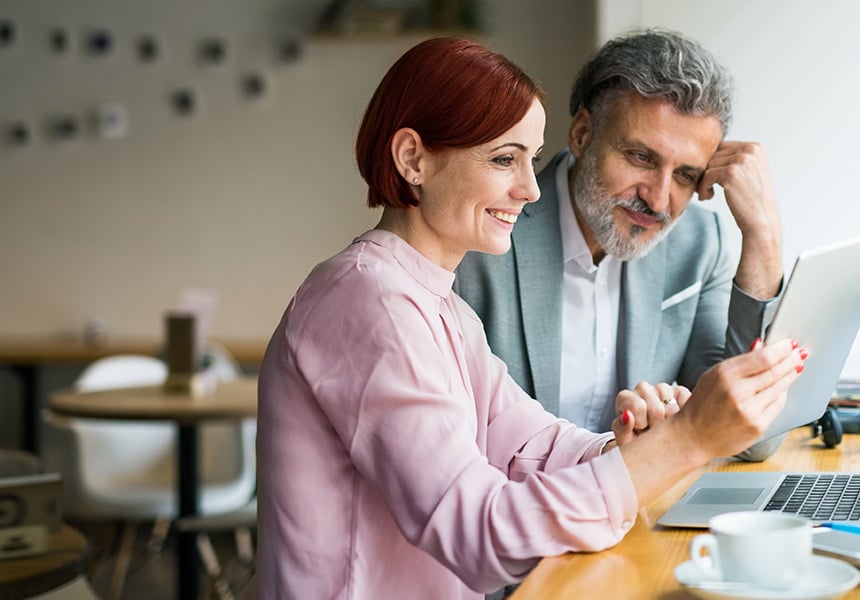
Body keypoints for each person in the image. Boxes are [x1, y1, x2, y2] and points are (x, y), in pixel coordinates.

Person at [255, 36, 807, 599]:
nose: (531, 188)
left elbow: (537, 446)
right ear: (412, 159)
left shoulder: (437, 305)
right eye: (504, 159)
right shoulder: (367, 302)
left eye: (530, 158)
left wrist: (634, 441)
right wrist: (685, 442)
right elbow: (480, 533)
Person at [455, 28, 791, 461]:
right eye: (641, 158)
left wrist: (764, 236)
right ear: (580, 134)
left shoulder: (698, 244)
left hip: (638, 511)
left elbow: (753, 437)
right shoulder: (483, 236)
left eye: (686, 175)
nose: (656, 198)